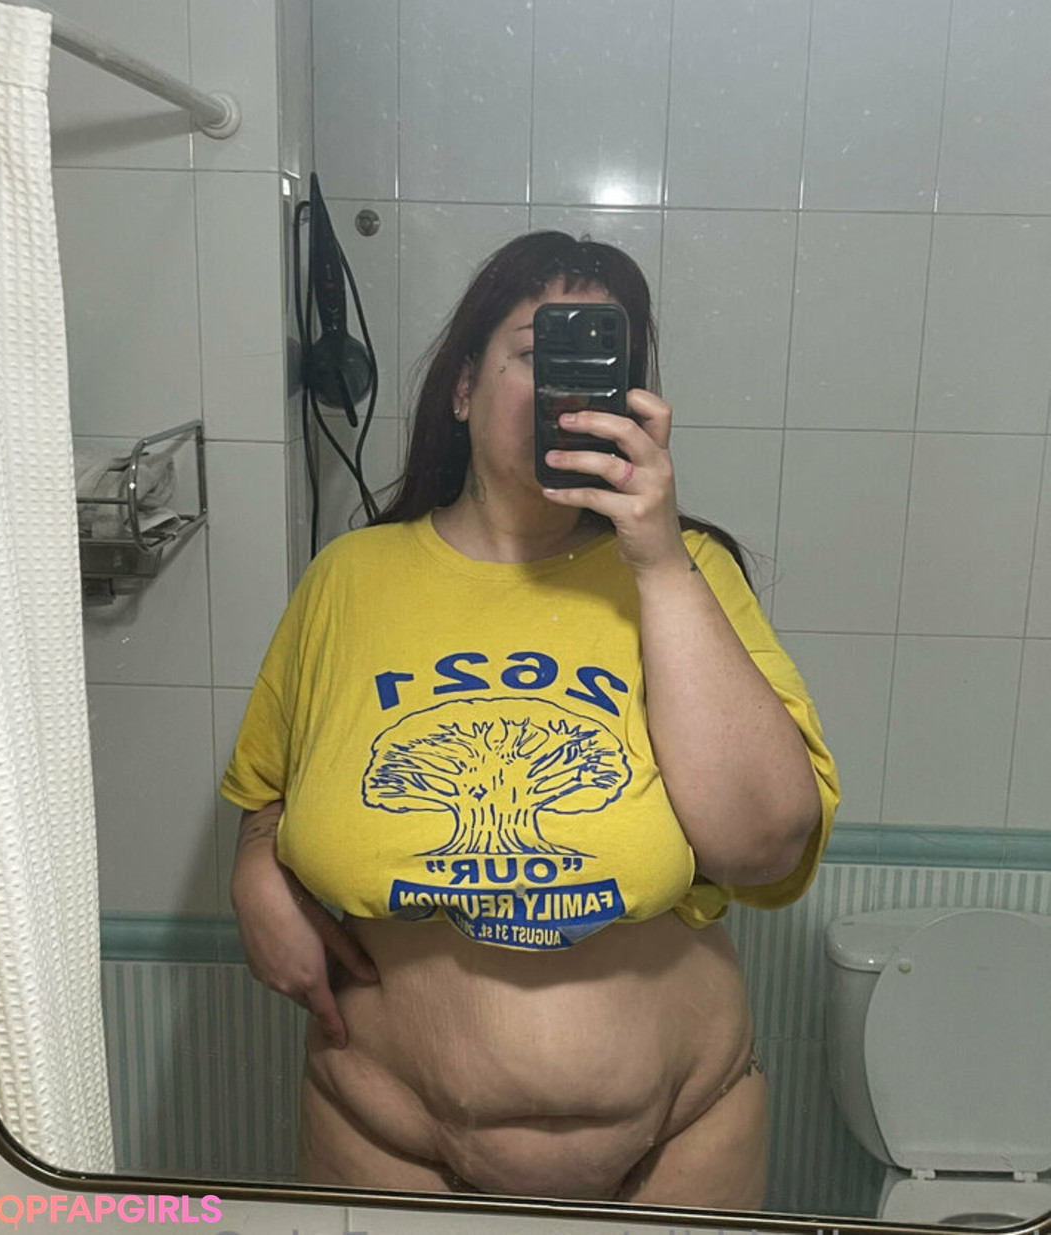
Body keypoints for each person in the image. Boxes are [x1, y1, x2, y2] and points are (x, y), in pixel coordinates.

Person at [220, 231, 840, 1208]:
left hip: (686, 1131)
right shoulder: (350, 579)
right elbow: (271, 791)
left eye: (597, 363)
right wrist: (256, 868)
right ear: (464, 388)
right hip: (383, 1131)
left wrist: (657, 558)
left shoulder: (692, 576)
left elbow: (763, 845)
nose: (567, 390)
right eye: (534, 353)